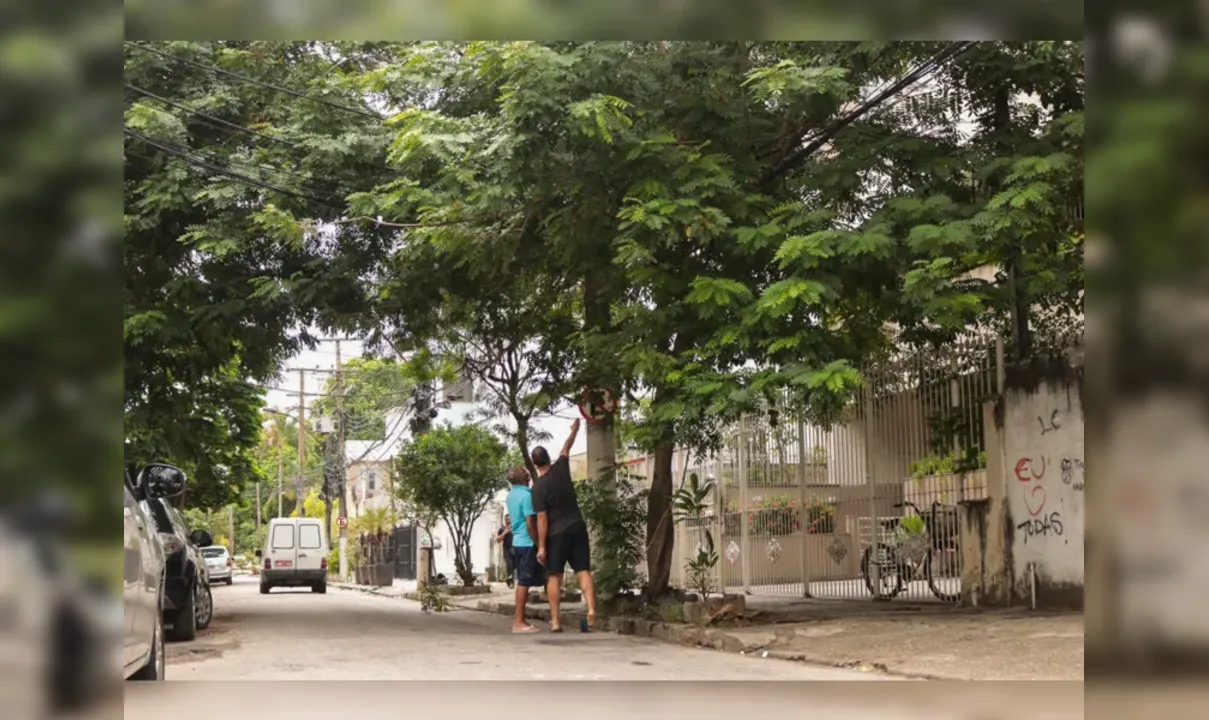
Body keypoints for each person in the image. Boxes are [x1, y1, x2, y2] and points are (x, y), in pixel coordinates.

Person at [531, 418, 596, 632]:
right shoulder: (561, 467)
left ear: (535, 464)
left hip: (556, 534)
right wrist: (575, 429)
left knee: (555, 575)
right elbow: (567, 446)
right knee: (583, 570)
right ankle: (592, 609)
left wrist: (541, 546)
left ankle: (556, 621)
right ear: (549, 458)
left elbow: (541, 518)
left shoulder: (538, 487)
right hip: (577, 525)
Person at [504, 465, 543, 633]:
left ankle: (521, 620)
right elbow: (530, 524)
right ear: (525, 478)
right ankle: (518, 622)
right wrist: (539, 543)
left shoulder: (511, 495)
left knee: (523, 580)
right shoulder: (527, 497)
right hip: (527, 543)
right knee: (524, 583)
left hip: (517, 543)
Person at [495, 514, 515, 588]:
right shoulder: (502, 529)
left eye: (509, 519)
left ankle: (509, 579)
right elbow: (498, 540)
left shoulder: (515, 528)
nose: (508, 521)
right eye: (506, 519)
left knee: (515, 567)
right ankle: (511, 582)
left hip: (516, 551)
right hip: (507, 551)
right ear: (504, 520)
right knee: (509, 566)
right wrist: (505, 532)